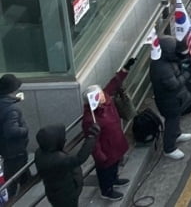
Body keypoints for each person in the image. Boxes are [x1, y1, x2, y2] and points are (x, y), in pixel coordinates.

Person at [79, 63, 132, 200]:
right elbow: (92, 142)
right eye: (99, 95)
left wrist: (124, 70)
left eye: (101, 93)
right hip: (106, 150)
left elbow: (112, 85)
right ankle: (107, 191)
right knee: (105, 171)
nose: (102, 95)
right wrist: (100, 156)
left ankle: (114, 180)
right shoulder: (90, 119)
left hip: (115, 143)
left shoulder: (106, 101)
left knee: (114, 166)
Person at [34, 123, 100, 207]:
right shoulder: (58, 160)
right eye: (62, 138)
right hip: (66, 194)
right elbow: (79, 158)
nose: (64, 140)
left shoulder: (40, 152)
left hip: (54, 192)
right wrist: (91, 138)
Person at [0, 74, 29, 196]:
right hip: (14, 150)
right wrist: (25, 129)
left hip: (6, 148)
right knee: (12, 179)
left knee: (22, 168)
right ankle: (10, 199)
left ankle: (26, 181)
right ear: (11, 90)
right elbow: (11, 130)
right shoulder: (11, 109)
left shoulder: (3, 103)